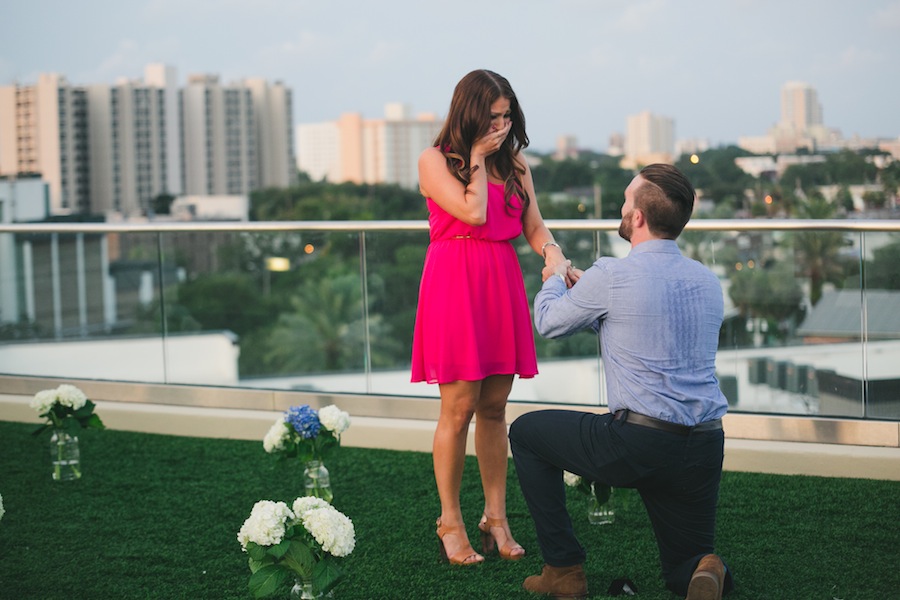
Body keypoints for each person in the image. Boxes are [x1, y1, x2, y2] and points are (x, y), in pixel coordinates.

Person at [509, 164, 734, 599]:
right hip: (704, 444)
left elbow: (550, 323)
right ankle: (708, 566)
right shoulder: (708, 282)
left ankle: (563, 570)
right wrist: (587, 294)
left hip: (638, 444)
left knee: (526, 433)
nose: (621, 205)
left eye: (627, 200)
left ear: (638, 219)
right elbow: (641, 334)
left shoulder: (611, 275)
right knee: (683, 574)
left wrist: (556, 280)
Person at [411, 69, 571, 566]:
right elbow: (473, 213)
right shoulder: (435, 160)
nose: (501, 126)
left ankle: (496, 517)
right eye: (492, 116)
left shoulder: (518, 165)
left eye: (507, 116)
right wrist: (478, 158)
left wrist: (555, 257)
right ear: (470, 113)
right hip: (454, 285)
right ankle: (450, 521)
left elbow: (534, 224)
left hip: (500, 282)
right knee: (457, 409)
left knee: (496, 408)